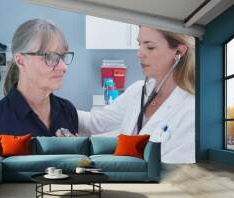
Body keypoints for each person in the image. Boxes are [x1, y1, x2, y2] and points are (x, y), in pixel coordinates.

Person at [76, 26, 195, 164]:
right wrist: (52, 106)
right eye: (140, 44)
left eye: (150, 47)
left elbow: (175, 167)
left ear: (179, 51)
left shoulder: (190, 109)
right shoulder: (137, 91)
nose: (139, 54)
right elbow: (96, 122)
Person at [0, 19, 78, 137]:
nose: (64, 67)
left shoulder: (68, 111)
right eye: (50, 57)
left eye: (63, 56)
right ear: (21, 61)